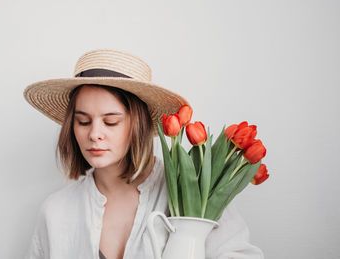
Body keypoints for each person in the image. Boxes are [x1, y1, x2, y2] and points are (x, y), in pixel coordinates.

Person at [23, 49, 264, 259]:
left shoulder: (196, 194)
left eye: (111, 122)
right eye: (83, 122)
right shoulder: (55, 211)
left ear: (138, 124)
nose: (94, 134)